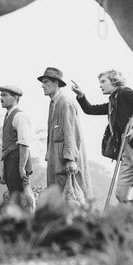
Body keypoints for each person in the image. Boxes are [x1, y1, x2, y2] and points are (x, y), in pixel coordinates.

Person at [72, 69, 133, 207]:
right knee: (121, 194)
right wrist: (81, 95)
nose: (100, 85)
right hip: (125, 148)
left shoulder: (125, 93)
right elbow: (89, 110)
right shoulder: (114, 100)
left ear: (114, 81)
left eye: (103, 81)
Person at [38, 67, 92, 206]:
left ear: (56, 83)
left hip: (65, 162)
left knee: (72, 200)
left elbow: (71, 132)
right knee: (58, 199)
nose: (42, 86)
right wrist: (48, 152)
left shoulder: (65, 102)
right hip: (55, 159)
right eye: (42, 82)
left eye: (45, 82)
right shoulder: (53, 103)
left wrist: (71, 160)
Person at [0, 85, 34, 212]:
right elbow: (7, 147)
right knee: (14, 197)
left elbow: (24, 143)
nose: (1, 98)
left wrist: (21, 167)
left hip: (17, 160)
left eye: (5, 95)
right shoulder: (8, 116)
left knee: (21, 198)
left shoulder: (19, 116)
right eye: (1, 95)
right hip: (10, 161)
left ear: (15, 98)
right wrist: (4, 169)